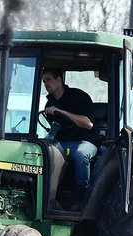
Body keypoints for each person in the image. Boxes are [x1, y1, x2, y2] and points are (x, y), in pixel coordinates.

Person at [42, 67, 99, 207]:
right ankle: (48, 195)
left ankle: (80, 197)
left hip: (84, 141)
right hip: (61, 142)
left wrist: (61, 112)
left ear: (59, 80)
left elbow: (88, 124)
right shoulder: (49, 103)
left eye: (48, 80)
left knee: (81, 155)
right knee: (42, 152)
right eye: (43, 81)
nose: (45, 84)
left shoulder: (79, 97)